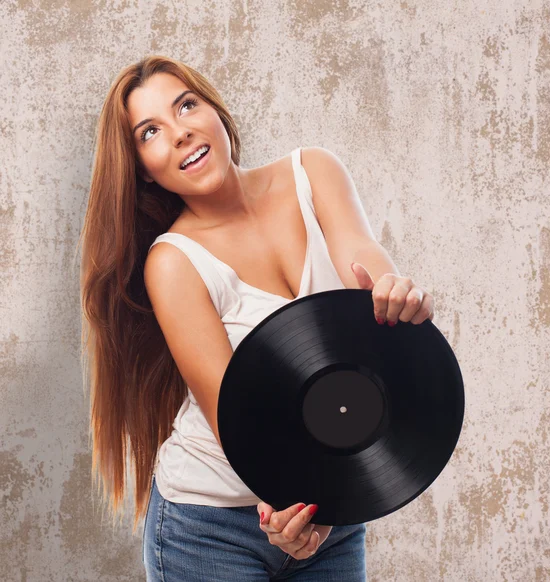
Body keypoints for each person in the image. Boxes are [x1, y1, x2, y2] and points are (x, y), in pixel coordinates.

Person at [79, 55, 434, 582]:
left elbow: (366, 265)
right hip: (206, 529)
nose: (179, 133)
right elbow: (235, 418)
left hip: (328, 508)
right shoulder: (173, 262)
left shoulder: (313, 172)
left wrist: (396, 297)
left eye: (186, 105)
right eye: (151, 131)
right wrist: (284, 500)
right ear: (142, 169)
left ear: (215, 111)